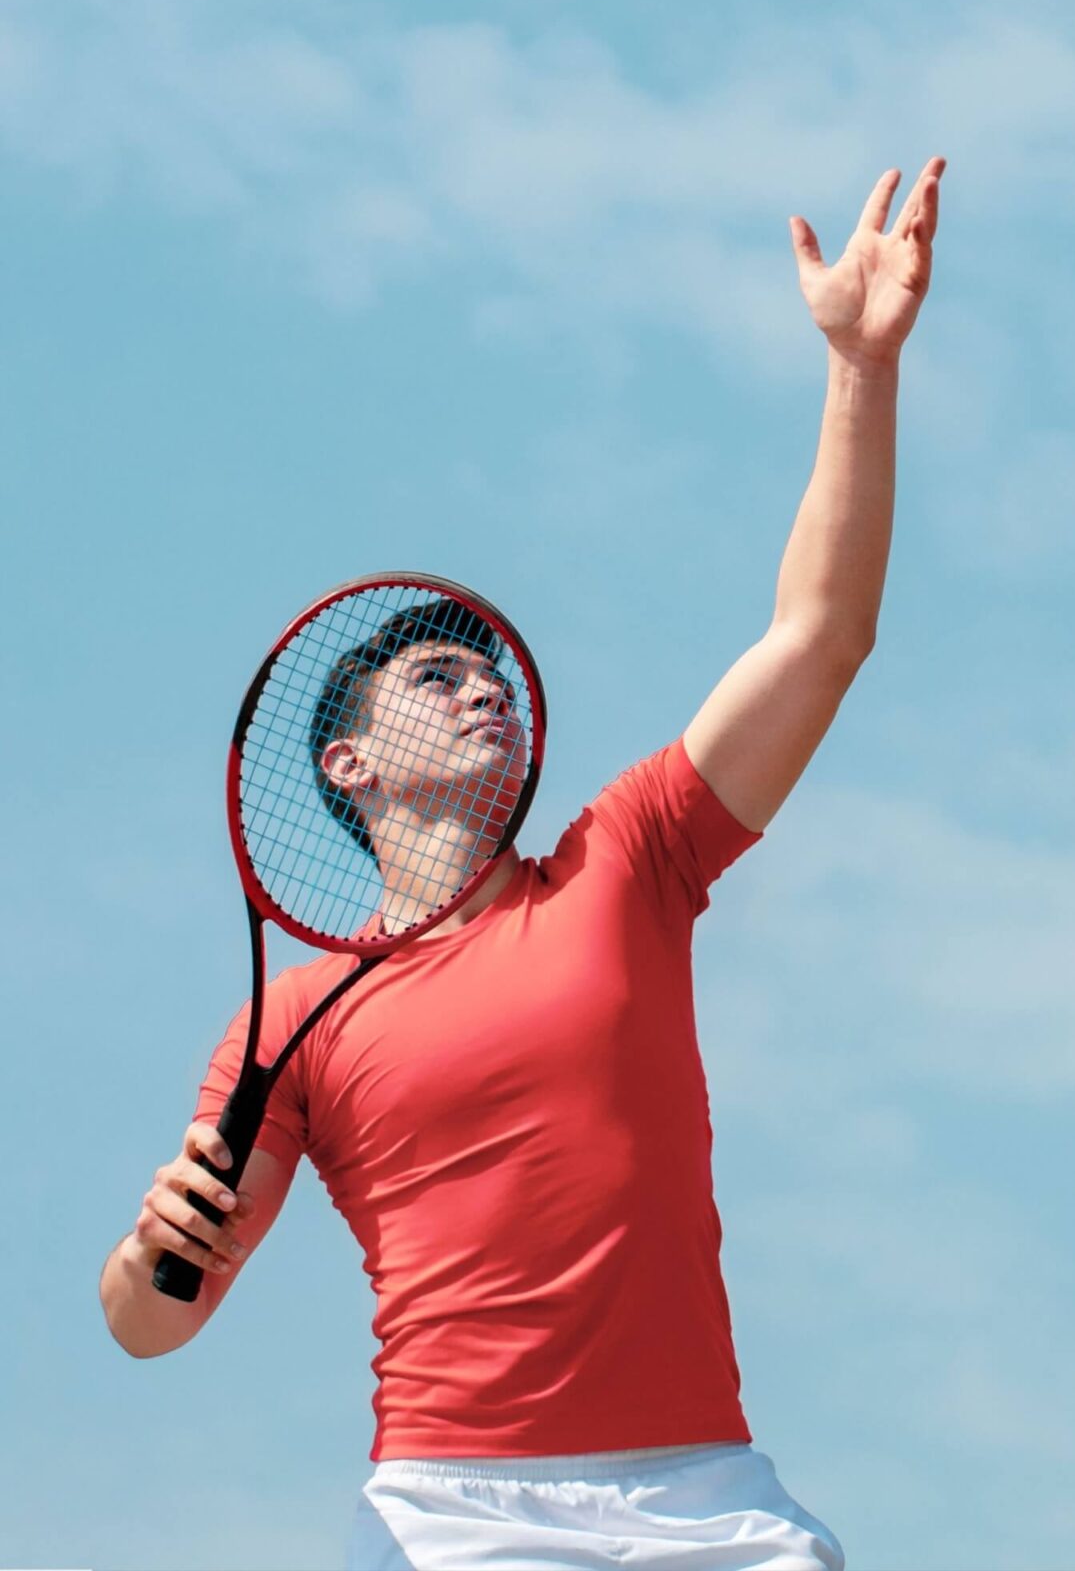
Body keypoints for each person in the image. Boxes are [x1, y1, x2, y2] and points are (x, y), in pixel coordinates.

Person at [100, 158, 946, 1571]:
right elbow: (153, 1325)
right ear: (347, 769)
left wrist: (860, 365)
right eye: (434, 675)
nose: (479, 685)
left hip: (710, 1504)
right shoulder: (287, 1022)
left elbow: (820, 639)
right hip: (453, 1518)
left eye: (489, 669)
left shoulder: (630, 860)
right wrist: (145, 1251)